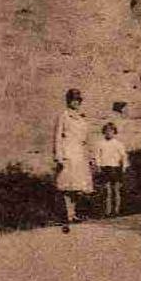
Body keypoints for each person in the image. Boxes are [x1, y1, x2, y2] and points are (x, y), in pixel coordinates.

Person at [53, 87, 93, 231]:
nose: (75, 102)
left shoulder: (82, 117)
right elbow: (57, 136)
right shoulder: (63, 116)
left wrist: (89, 156)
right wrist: (58, 155)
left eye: (77, 100)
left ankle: (73, 213)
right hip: (67, 152)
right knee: (67, 186)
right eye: (72, 100)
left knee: (78, 187)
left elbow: (86, 139)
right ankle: (67, 215)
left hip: (80, 153)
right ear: (68, 101)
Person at [94, 120, 129, 217]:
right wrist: (98, 166)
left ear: (114, 132)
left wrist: (124, 167)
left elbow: (123, 156)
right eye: (107, 130)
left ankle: (116, 210)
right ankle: (107, 211)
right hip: (105, 168)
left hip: (116, 168)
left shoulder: (118, 144)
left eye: (111, 130)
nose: (109, 132)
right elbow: (97, 156)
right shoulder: (100, 143)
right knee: (107, 191)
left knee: (116, 190)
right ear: (104, 131)